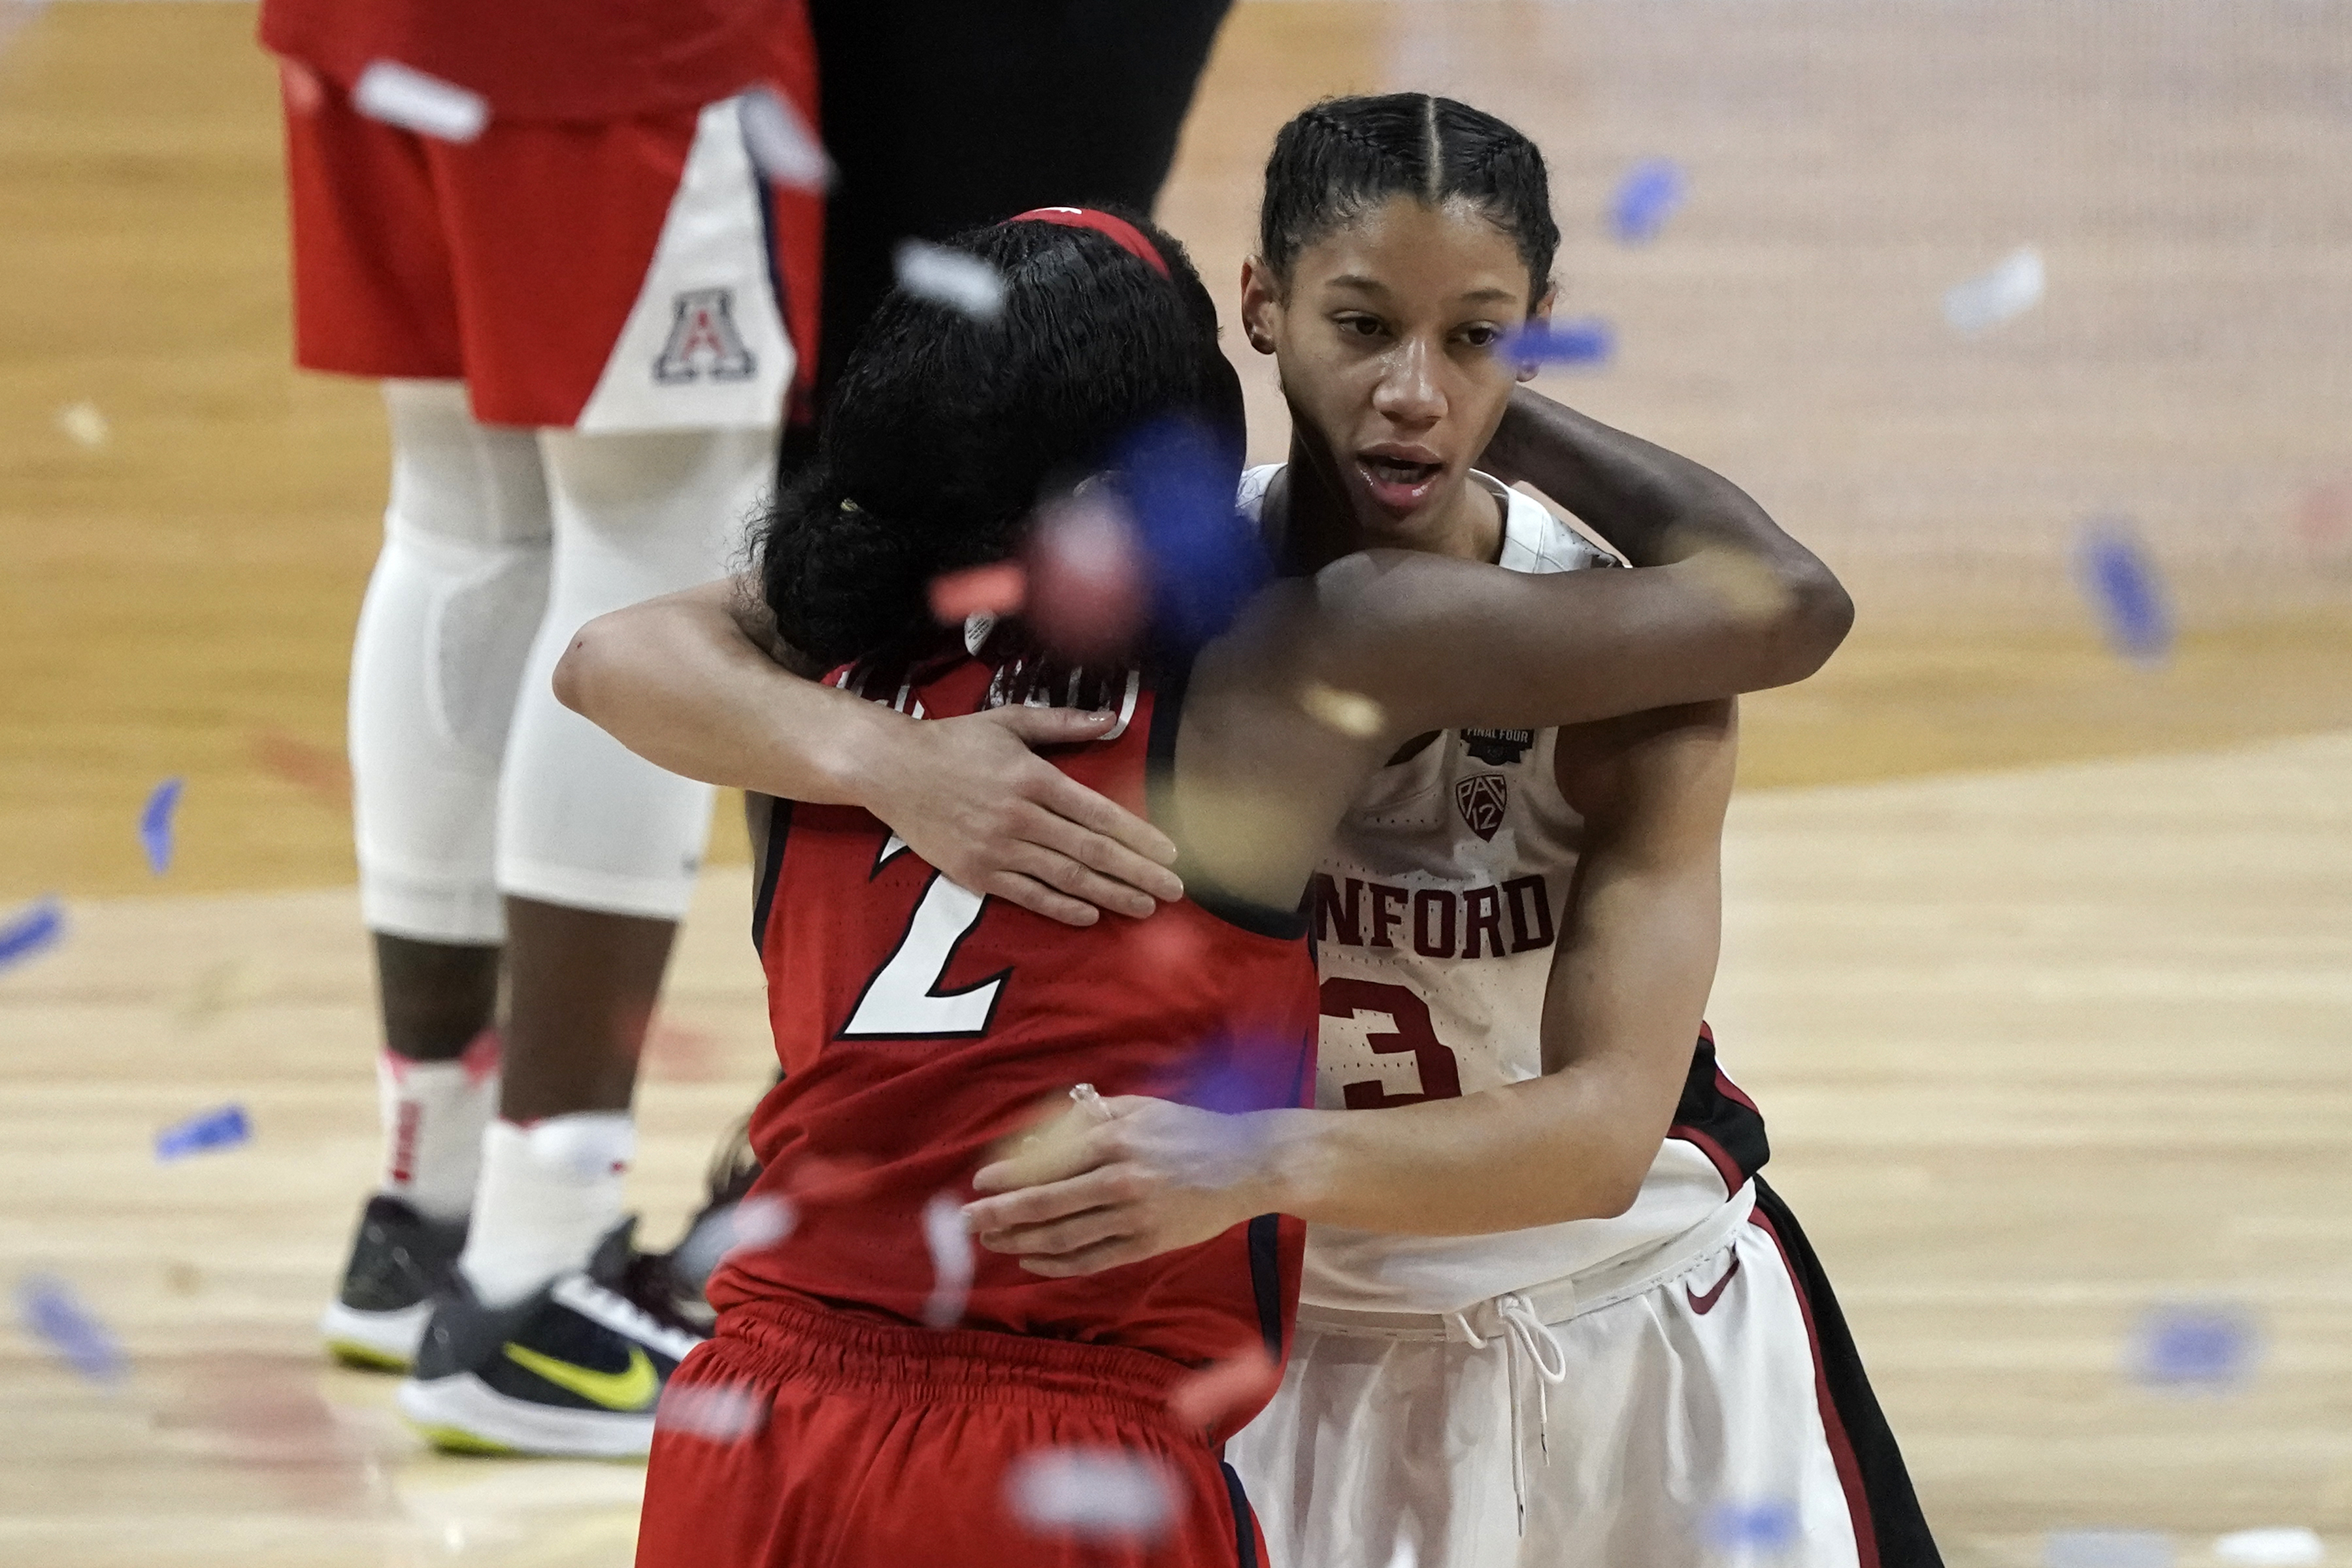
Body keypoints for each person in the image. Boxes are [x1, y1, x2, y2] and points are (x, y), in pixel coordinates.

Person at [564, 97, 1938, 1565]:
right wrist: (890, 761)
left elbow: (1607, 1127)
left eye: (1473, 338)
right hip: (1269, 1353)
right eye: (1363, 326)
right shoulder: (1125, 571)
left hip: (1606, 1311)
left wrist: (1250, 1158)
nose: (1412, 395)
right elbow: (628, 651)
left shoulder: (1620, 650)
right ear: (1262, 316)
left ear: (1535, 339)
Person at [259, 0, 824, 1454]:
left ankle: (427, 1210)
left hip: (368, 29)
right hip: (613, 45)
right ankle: (538, 1273)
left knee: (464, 526)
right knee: (656, 559)